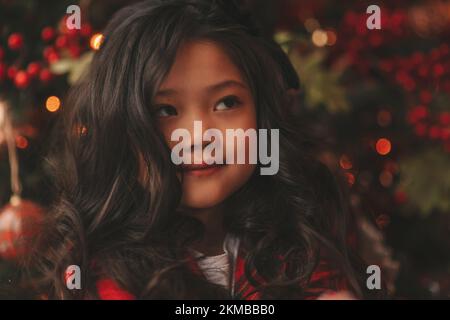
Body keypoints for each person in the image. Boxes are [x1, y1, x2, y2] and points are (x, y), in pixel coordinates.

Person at [26, 0, 375, 299]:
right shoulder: (108, 278)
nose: (200, 136)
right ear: (121, 132)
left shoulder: (303, 240)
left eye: (226, 103)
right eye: (165, 111)